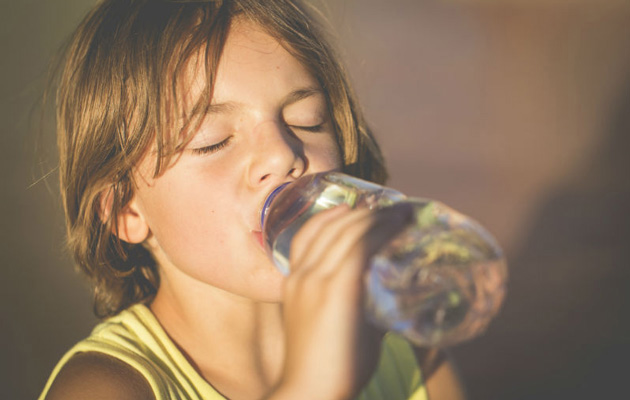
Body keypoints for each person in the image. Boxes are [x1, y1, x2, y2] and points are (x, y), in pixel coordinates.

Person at [38, 0, 466, 399]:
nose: (282, 154)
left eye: (308, 121)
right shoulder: (103, 387)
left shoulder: (408, 356)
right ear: (125, 210)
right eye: (213, 141)